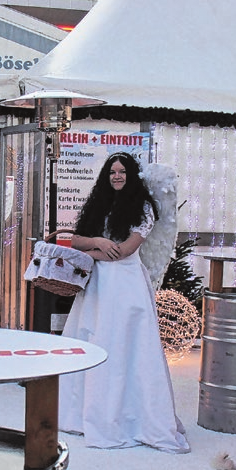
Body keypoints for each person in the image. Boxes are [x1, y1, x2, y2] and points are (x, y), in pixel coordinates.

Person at [59, 152, 189, 453]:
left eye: (122, 172)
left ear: (131, 176)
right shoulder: (98, 203)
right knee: (91, 341)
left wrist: (93, 250)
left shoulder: (143, 208)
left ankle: (127, 416)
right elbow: (75, 240)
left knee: (125, 347)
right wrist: (99, 243)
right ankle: (82, 414)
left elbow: (126, 250)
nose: (117, 176)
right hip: (96, 286)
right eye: (112, 172)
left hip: (125, 286)